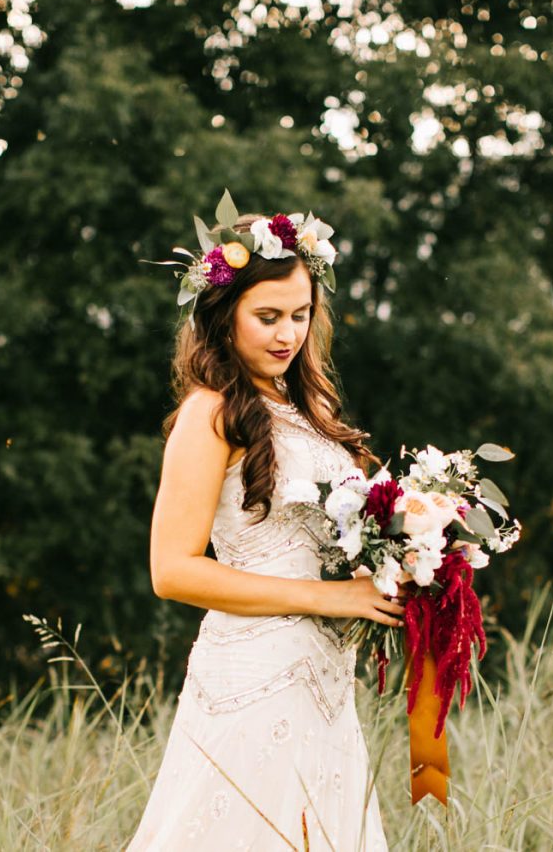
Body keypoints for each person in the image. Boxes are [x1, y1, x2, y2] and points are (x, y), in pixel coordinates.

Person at [127, 196, 406, 851]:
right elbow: (171, 571)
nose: (287, 334)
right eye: (268, 317)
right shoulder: (212, 412)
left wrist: (404, 558)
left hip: (324, 679)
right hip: (252, 678)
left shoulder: (305, 410)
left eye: (301, 316)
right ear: (224, 318)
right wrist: (331, 596)